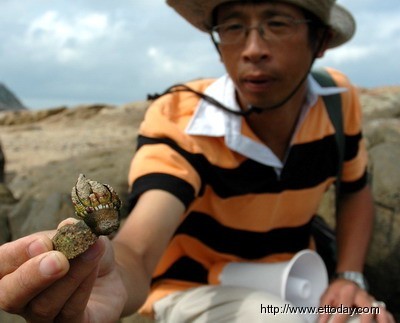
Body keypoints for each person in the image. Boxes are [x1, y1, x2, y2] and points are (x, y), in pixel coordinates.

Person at [0, 0, 395, 322]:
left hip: (298, 283)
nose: (253, 48)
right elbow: (139, 248)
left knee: (365, 318)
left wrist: (349, 275)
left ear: (320, 39)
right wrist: (113, 278)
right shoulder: (183, 120)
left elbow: (355, 188)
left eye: (277, 23)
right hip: (193, 291)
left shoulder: (337, 100)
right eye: (234, 27)